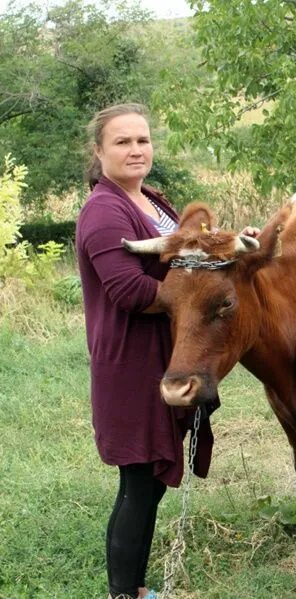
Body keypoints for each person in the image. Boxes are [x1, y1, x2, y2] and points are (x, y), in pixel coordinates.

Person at [76, 103, 215, 599]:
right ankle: (123, 593)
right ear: (99, 151)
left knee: (149, 485)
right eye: (122, 142)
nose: (136, 149)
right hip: (130, 363)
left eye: (142, 140)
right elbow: (131, 291)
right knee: (137, 484)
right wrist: (198, 300)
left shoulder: (151, 200)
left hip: (162, 355)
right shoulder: (104, 210)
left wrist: (228, 252)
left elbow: (188, 258)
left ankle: (133, 589)